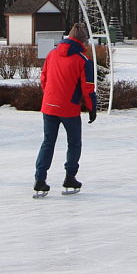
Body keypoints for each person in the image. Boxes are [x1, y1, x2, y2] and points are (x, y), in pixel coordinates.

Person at [34, 22, 98, 198]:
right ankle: (70, 177)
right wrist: (92, 109)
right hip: (69, 109)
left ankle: (40, 179)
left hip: (49, 106)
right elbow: (88, 87)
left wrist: (49, 96)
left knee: (48, 143)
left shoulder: (52, 54)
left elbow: (44, 78)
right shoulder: (83, 60)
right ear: (82, 42)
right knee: (74, 143)